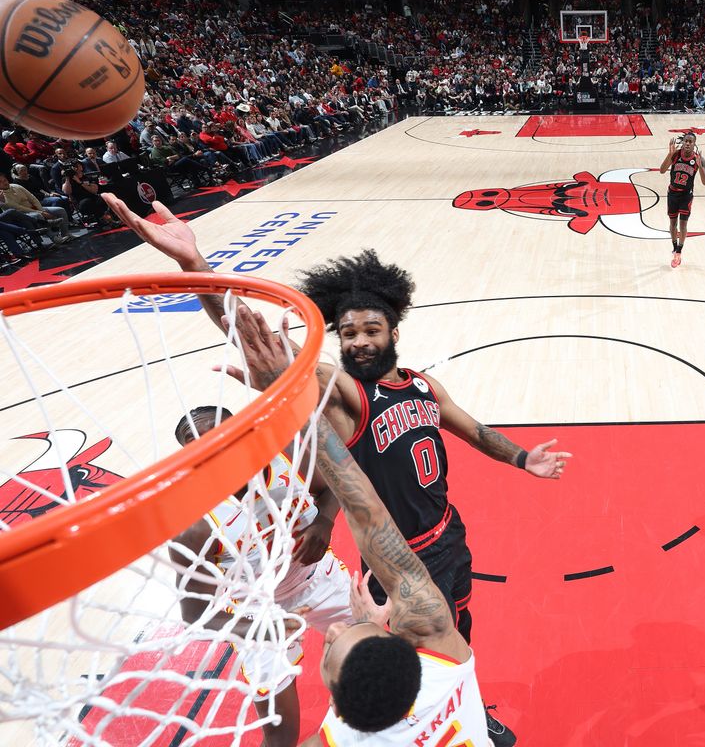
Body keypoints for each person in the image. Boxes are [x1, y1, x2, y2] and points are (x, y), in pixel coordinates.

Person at [101, 193, 574, 746]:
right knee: (395, 667)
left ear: (393, 331)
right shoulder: (344, 393)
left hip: (448, 534)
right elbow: (260, 342)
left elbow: (473, 430)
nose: (359, 342)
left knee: (457, 634)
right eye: (347, 334)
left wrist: (522, 458)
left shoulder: (423, 385)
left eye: (370, 331)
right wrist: (195, 267)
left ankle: (467, 702)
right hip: (396, 553)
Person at [222, 305, 491, 746]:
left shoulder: (336, 739)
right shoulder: (448, 659)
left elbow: (352, 496)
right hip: (395, 556)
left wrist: (199, 275)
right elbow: (363, 499)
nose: (331, 631)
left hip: (391, 555)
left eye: (330, 648)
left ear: (335, 709)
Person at [170, 405, 352, 747]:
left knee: (376, 659)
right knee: (280, 732)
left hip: (315, 579)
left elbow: (333, 487)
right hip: (254, 610)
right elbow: (195, 615)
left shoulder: (286, 456)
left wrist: (324, 522)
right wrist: (261, 628)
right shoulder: (192, 527)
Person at [659, 132, 705, 268]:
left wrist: (701, 167)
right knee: (672, 223)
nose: (687, 143)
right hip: (673, 194)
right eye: (686, 141)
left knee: (683, 225)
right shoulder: (675, 154)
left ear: (694, 144)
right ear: (683, 142)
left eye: (690, 142)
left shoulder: (699, 159)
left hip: (686, 195)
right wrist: (669, 155)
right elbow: (662, 170)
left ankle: (679, 252)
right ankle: (674, 246)